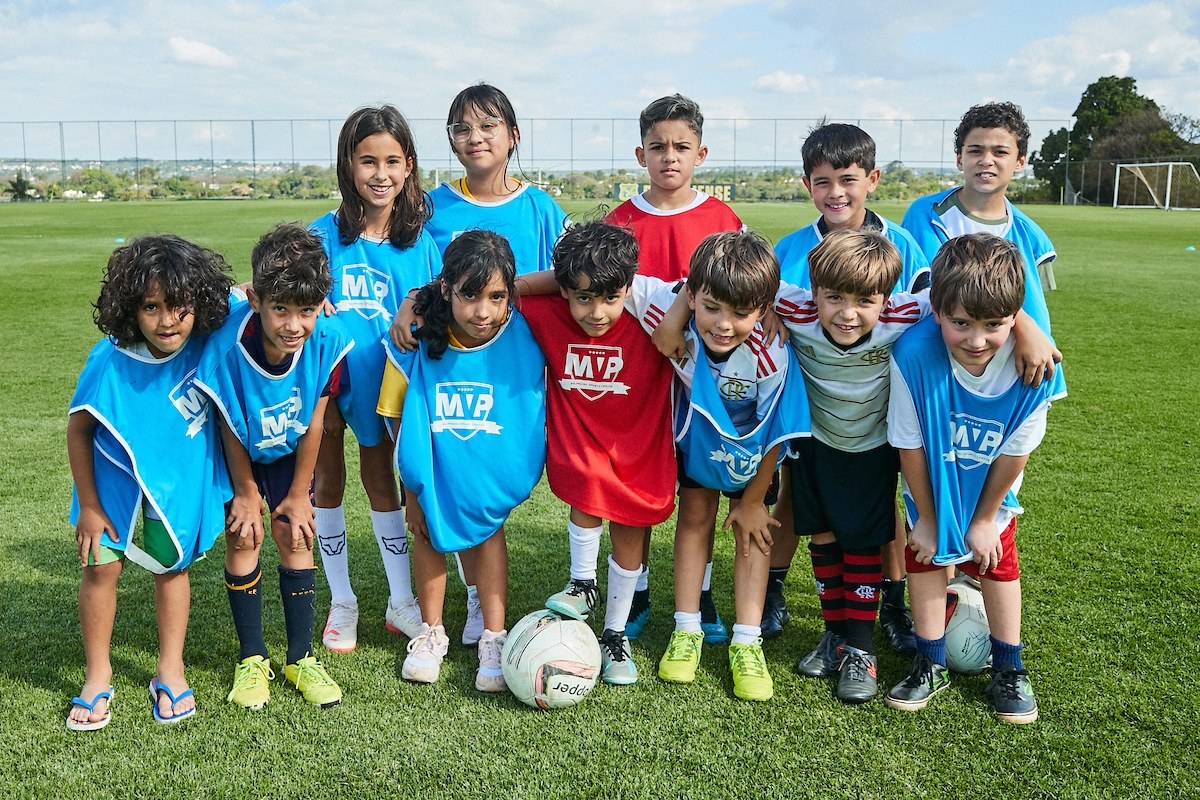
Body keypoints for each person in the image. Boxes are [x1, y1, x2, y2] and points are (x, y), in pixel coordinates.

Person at [394, 83, 566, 647]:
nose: (476, 138)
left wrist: (497, 289)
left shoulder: (541, 207)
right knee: (445, 466)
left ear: (513, 136)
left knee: (488, 477)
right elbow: (422, 275)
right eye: (462, 129)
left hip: (511, 366)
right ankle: (452, 608)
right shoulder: (432, 207)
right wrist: (414, 300)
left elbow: (570, 277)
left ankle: (477, 598)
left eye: (489, 125)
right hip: (449, 360)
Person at [884, 234, 1065, 724]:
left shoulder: (1034, 367)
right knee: (924, 555)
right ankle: (930, 660)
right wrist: (924, 515)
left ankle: (1010, 666)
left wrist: (985, 518)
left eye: (994, 325)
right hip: (931, 480)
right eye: (960, 323)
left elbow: (1016, 449)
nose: (976, 339)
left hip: (992, 486)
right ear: (936, 310)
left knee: (998, 558)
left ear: (1015, 318)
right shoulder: (913, 354)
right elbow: (910, 442)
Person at [766, 122, 931, 651]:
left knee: (879, 510)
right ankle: (775, 591)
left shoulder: (901, 244)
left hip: (880, 416)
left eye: (848, 179)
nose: (835, 193)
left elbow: (942, 306)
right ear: (807, 184)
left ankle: (894, 605)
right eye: (822, 182)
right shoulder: (791, 248)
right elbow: (757, 297)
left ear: (872, 179)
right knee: (803, 502)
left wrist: (1020, 327)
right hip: (808, 409)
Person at [631, 230, 810, 701]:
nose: (724, 325)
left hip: (756, 455)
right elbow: (601, 278)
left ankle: (747, 642)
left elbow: (776, 427)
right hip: (698, 447)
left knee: (754, 532)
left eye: (741, 312)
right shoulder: (668, 306)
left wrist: (753, 500)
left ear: (764, 308)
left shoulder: (770, 352)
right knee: (693, 521)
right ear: (691, 295)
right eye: (711, 308)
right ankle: (687, 629)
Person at [66, 235, 234, 729]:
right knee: (101, 569)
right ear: (129, 308)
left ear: (197, 303)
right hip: (109, 477)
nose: (167, 320)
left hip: (176, 479)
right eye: (152, 307)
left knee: (170, 566)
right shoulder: (111, 358)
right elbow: (79, 428)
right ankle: (97, 676)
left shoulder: (204, 343)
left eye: (179, 306)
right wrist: (91, 506)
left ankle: (170, 670)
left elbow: (255, 301)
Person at [377, 230, 546, 692]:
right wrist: (412, 490)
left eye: (496, 296)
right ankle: (431, 635)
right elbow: (398, 420)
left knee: (489, 535)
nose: (484, 312)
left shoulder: (522, 333)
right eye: (469, 296)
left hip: (483, 475)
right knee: (428, 535)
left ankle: (494, 635)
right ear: (446, 289)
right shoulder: (416, 338)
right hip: (434, 470)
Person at [604, 93, 745, 644]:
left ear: (701, 153)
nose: (670, 157)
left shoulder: (720, 219)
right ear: (640, 154)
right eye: (658, 146)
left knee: (699, 489)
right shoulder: (621, 220)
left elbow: (745, 288)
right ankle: (633, 591)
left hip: (703, 378)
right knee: (634, 487)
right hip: (637, 378)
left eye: (681, 147)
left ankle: (701, 592)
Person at [196, 224, 352, 710]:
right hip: (239, 445)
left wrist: (298, 494)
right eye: (280, 308)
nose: (293, 324)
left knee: (295, 531)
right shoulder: (227, 346)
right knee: (245, 534)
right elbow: (226, 419)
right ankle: (251, 657)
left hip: (291, 447)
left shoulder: (328, 338)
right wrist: (245, 490)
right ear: (255, 297)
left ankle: (300, 657)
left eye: (306, 310)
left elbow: (317, 421)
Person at [515, 221, 676, 685]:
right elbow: (500, 290)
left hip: (640, 443)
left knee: (629, 532)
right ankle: (582, 584)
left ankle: (614, 633)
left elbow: (703, 291)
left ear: (629, 287)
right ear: (563, 289)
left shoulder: (653, 311)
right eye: (582, 297)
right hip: (583, 440)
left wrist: (770, 314)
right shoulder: (549, 311)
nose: (597, 312)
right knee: (585, 488)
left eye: (610, 297)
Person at [310, 105, 441, 652]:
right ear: (348, 164)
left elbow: (436, 313)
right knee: (328, 482)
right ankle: (342, 602)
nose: (380, 173)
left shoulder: (421, 244)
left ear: (409, 166)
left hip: (390, 391)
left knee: (384, 482)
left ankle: (401, 601)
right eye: (368, 161)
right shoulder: (321, 236)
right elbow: (296, 300)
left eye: (392, 160)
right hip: (325, 386)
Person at [901, 102, 1062, 347]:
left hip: (997, 361)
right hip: (930, 353)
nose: (986, 160)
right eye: (975, 151)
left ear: (1019, 162)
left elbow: (1036, 319)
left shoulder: (1031, 237)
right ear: (959, 158)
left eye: (1000, 152)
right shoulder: (924, 215)